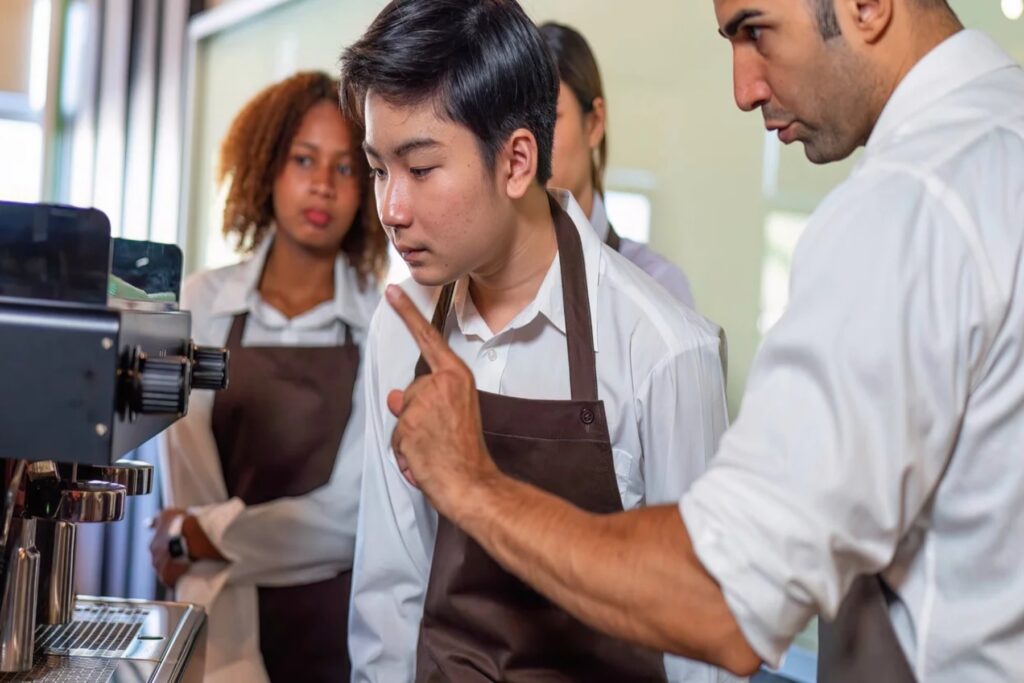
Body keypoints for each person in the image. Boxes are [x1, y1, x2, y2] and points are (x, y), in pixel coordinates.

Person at [382, 0, 1024, 681]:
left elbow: (723, 595)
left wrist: (473, 484)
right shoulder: (998, 142)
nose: (742, 89)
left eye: (756, 31)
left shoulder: (908, 207)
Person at [340, 1, 736, 681]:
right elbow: (389, 594)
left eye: (422, 168)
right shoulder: (398, 326)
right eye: (379, 169)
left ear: (517, 160)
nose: (392, 209)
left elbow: (702, 643)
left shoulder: (665, 349)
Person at [150, 71, 387, 683]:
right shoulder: (200, 302)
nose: (322, 185)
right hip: (208, 618)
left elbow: (348, 521)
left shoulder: (380, 324)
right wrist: (196, 537)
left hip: (325, 629)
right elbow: (181, 466)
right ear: (267, 168)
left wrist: (200, 537)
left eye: (345, 168)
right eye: (303, 159)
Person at [541, 21, 696, 309]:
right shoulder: (484, 286)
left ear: (595, 123)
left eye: (549, 119)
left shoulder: (657, 288)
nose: (530, 142)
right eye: (518, 123)